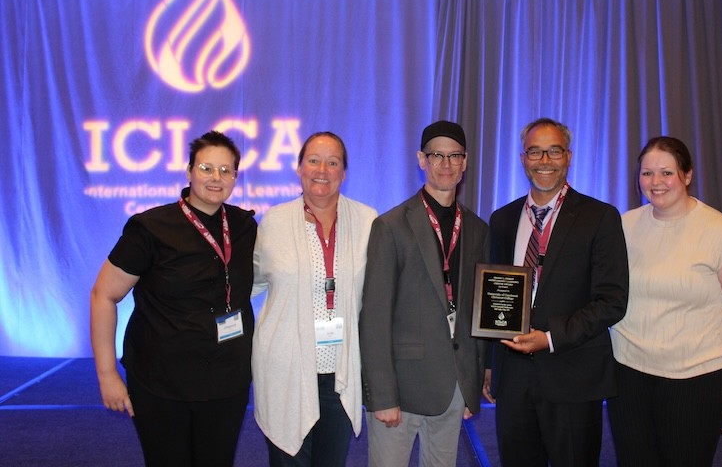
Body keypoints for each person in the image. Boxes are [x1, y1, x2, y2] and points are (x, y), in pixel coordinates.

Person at [89, 130, 257, 467]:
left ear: (236, 177)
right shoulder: (151, 228)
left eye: (226, 171)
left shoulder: (243, 225)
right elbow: (103, 295)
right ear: (189, 171)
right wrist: (107, 375)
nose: (216, 178)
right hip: (161, 382)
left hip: (227, 381)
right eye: (207, 168)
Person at [607, 136, 722, 467]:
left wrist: (709, 353)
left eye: (666, 172)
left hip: (696, 381)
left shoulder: (721, 233)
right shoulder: (624, 225)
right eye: (647, 173)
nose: (656, 182)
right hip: (628, 374)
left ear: (688, 175)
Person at [484, 117, 629, 467]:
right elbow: (497, 296)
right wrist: (491, 365)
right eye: (535, 151)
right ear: (523, 159)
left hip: (573, 374)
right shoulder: (502, 219)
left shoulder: (600, 217)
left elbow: (612, 300)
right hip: (514, 377)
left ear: (568, 157)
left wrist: (548, 338)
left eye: (554, 151)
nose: (544, 161)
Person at [359, 120, 490, 467]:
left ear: (465, 162)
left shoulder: (477, 228)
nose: (445, 165)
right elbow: (374, 316)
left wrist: (473, 384)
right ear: (421, 159)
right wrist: (382, 394)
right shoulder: (390, 226)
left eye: (454, 156)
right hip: (401, 390)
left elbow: (480, 311)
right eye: (436, 155)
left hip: (453, 387)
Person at [251, 131, 377, 467]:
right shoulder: (273, 222)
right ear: (298, 168)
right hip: (284, 369)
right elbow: (248, 283)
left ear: (344, 173)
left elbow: (380, 294)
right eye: (313, 160)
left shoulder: (368, 222)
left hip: (341, 372)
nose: (322, 169)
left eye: (333, 162)